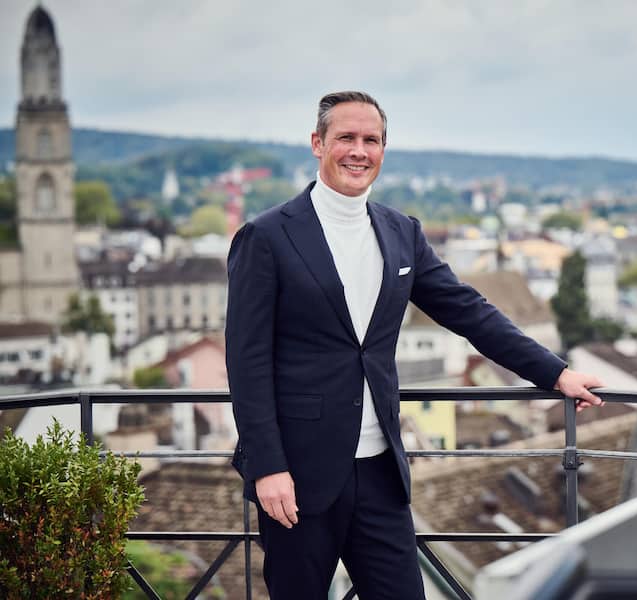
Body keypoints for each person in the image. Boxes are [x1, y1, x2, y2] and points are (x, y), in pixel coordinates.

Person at [225, 90, 603, 600]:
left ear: (383, 150)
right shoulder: (266, 236)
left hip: (381, 469)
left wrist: (555, 374)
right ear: (317, 144)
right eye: (346, 139)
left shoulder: (401, 232)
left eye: (371, 140)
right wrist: (268, 466)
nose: (359, 151)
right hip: (298, 475)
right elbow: (245, 363)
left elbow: (469, 311)